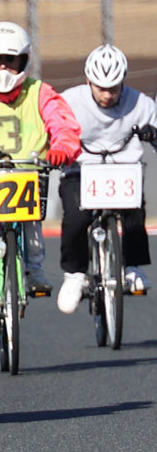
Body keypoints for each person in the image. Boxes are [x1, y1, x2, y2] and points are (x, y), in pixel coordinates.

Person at [0, 22, 80, 344]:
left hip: (27, 176)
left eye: (10, 60)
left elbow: (63, 125)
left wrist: (62, 148)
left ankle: (35, 269)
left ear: (24, 60)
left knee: (32, 219)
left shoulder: (41, 92)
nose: (3, 67)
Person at [56, 44, 157, 311]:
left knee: (134, 210)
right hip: (80, 168)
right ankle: (75, 274)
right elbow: (51, 129)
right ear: (88, 81)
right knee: (76, 217)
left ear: (123, 81)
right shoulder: (68, 101)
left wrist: (152, 135)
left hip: (123, 169)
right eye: (101, 88)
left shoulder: (141, 103)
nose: (107, 95)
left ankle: (133, 266)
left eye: (114, 88)